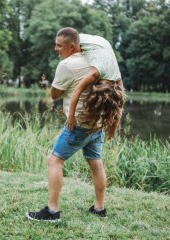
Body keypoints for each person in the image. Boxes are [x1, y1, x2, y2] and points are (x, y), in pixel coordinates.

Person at [26, 27, 109, 222]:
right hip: (97, 123)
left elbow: (55, 94)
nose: (55, 48)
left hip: (79, 124)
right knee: (96, 164)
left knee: (54, 160)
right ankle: (99, 208)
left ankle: (52, 212)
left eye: (59, 45)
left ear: (72, 46)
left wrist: (55, 87)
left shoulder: (67, 65)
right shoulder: (93, 60)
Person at [66, 33, 125, 140]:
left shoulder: (117, 78)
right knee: (69, 58)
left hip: (103, 43)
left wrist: (112, 130)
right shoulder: (94, 74)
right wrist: (71, 117)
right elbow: (76, 92)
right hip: (82, 40)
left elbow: (119, 106)